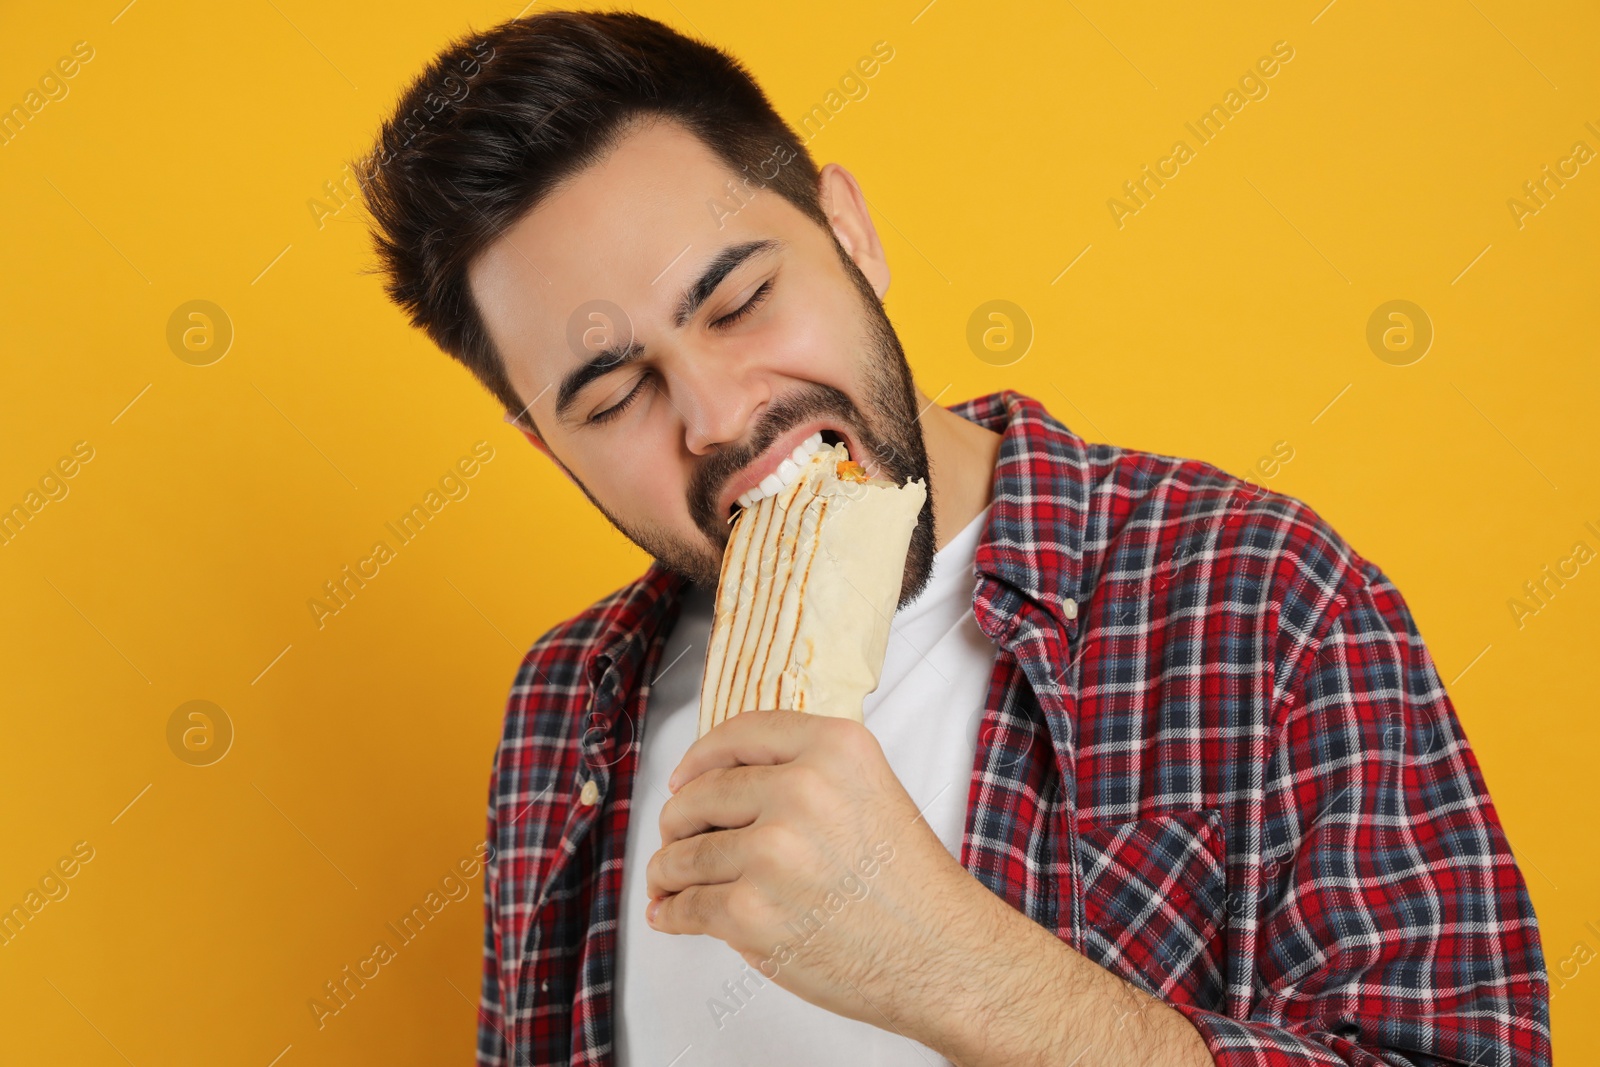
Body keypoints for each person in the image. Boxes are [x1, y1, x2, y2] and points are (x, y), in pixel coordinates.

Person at [354, 10, 1551, 1066]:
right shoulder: (564, 707)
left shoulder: (1263, 599)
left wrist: (956, 968)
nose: (719, 418)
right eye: (613, 397)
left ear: (848, 230)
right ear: (545, 443)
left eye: (738, 300)